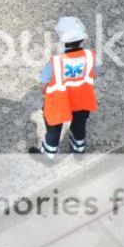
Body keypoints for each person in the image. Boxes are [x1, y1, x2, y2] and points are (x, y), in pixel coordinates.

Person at [30, 16, 98, 160]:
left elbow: (43, 83)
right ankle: (78, 150)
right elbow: (93, 75)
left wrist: (46, 92)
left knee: (54, 127)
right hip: (82, 99)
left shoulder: (56, 61)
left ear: (62, 37)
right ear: (82, 38)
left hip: (59, 102)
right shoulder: (91, 56)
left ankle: (48, 155)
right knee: (79, 124)